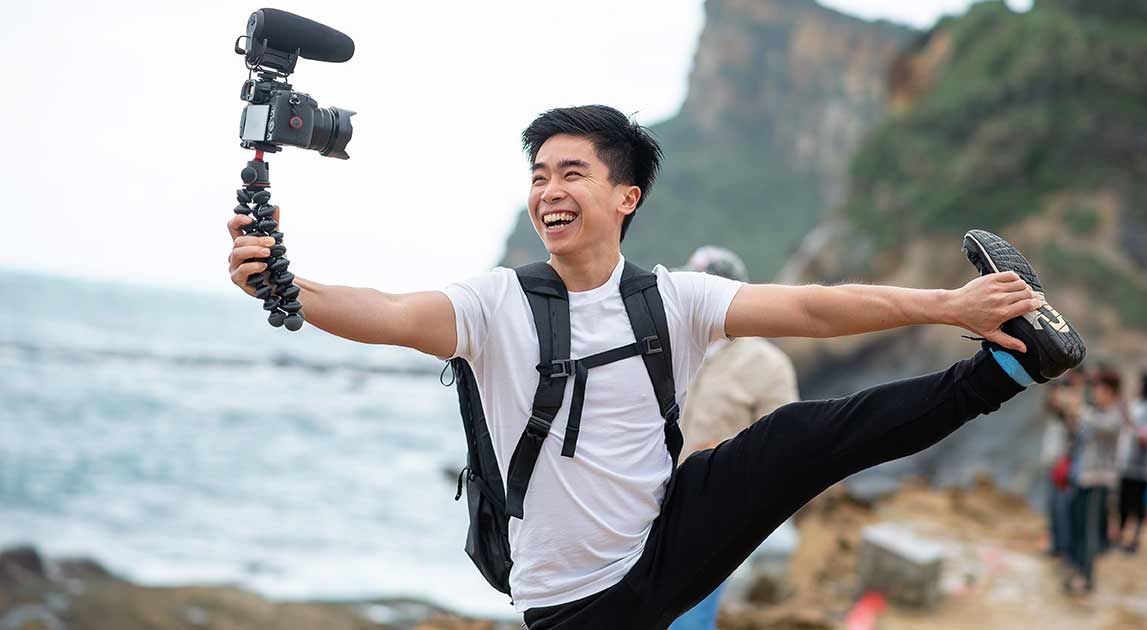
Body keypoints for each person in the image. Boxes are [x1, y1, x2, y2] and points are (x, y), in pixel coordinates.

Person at [225, 105, 1084, 628]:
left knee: (805, 436)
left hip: (666, 534)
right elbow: (387, 313)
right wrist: (286, 282)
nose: (549, 191)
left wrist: (949, 304)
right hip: (576, 606)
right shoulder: (494, 304)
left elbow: (815, 309)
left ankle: (1010, 367)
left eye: (572, 173)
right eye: (539, 175)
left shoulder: (674, 298)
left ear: (625, 197)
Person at [669, 246, 798, 630]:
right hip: (649, 506)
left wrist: (723, 456)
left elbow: (786, 450)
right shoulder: (669, 350)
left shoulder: (768, 366)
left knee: (689, 617)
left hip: (714, 511)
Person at [1064, 367, 1122, 594]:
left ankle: (1087, 578)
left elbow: (1098, 426)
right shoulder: (1094, 412)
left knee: (1089, 531)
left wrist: (1077, 407)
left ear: (1111, 392)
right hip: (1081, 476)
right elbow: (1076, 433)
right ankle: (1077, 569)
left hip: (1098, 481)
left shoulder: (1114, 416)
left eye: (1100, 388)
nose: (1096, 392)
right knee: (1078, 527)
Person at [1115, 372, 1147, 553]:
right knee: (1124, 501)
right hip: (1127, 463)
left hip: (1145, 466)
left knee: (1139, 503)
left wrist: (1134, 427)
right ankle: (1121, 535)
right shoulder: (1136, 404)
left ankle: (1135, 538)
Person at [1042, 368, 1084, 557]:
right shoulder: (1055, 413)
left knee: (1063, 507)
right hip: (1053, 460)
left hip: (1065, 463)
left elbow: (1076, 432)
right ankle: (1056, 544)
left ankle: (1065, 546)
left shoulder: (1078, 405)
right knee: (1053, 506)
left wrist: (1069, 407)